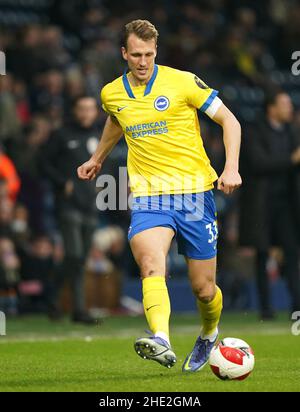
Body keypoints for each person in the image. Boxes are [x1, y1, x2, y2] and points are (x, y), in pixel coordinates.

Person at [78, 20, 242, 371]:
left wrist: (231, 168)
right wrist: (97, 158)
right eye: (135, 54)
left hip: (196, 194)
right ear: (124, 53)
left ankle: (209, 332)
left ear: (156, 51)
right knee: (151, 264)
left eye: (149, 54)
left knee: (204, 290)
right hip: (150, 196)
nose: (142, 62)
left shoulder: (182, 82)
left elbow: (230, 121)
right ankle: (161, 338)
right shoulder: (112, 93)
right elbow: (116, 120)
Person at [239, 90, 300, 319]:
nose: (289, 108)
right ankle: (266, 309)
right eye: (284, 104)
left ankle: (297, 305)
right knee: (262, 255)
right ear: (271, 108)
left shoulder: (291, 132)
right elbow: (258, 163)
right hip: (261, 204)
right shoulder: (254, 131)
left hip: (286, 205)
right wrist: (291, 160)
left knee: (292, 254)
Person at [40, 95, 100, 323]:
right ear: (74, 110)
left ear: (96, 112)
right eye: (81, 108)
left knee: (79, 258)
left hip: (91, 204)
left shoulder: (99, 136)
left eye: (90, 109)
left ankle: (53, 295)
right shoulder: (61, 135)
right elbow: (43, 162)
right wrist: (61, 182)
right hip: (68, 205)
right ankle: (79, 310)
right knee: (74, 255)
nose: (85, 113)